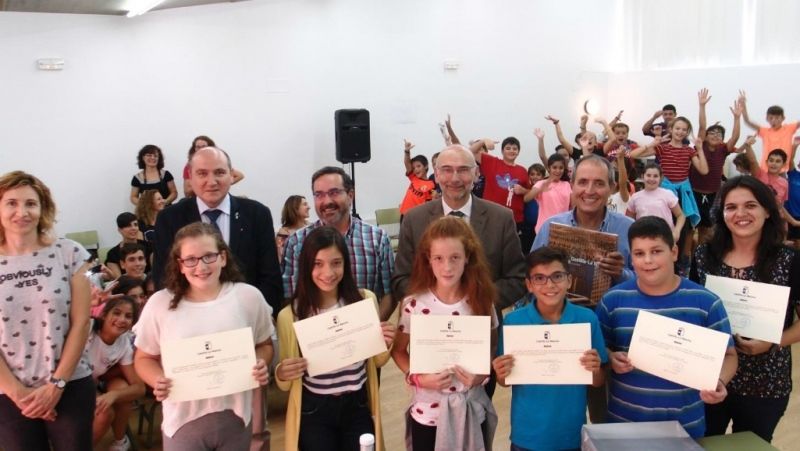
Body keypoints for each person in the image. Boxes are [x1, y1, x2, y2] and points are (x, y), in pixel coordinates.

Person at [134, 222, 274, 449]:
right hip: (182, 422)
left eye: (209, 256)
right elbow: (143, 358)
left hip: (236, 417)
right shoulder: (160, 304)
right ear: (179, 265)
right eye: (190, 259)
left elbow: (264, 344)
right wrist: (157, 379)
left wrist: (260, 362)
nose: (201, 266)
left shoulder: (248, 297)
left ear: (223, 257)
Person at [596, 216, 737, 438]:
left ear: (674, 252)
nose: (648, 260)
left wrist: (719, 381)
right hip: (624, 424)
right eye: (639, 253)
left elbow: (729, 355)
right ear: (631, 258)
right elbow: (599, 350)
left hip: (685, 426)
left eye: (656, 251)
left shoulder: (706, 302)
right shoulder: (613, 300)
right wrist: (611, 358)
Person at [691, 176, 800, 442]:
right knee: (702, 443)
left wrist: (773, 343)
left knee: (750, 446)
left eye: (750, 205)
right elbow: (693, 311)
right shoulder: (704, 256)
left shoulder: (789, 260)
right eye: (731, 207)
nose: (740, 214)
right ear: (722, 213)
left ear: (767, 211)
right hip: (711, 377)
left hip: (766, 381)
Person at [275, 226, 395, 451]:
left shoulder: (364, 300)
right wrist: (282, 372)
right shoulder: (290, 315)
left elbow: (376, 361)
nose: (328, 272)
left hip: (357, 403)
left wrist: (386, 342)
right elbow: (286, 381)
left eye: (336, 263)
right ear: (306, 266)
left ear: (346, 264)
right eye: (318, 264)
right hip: (315, 408)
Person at [0, 171, 95, 450]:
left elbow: (81, 322)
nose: (22, 212)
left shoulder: (71, 253)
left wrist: (56, 385)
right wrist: (17, 393)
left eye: (31, 203)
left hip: (70, 383)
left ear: (43, 209)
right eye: (11, 203)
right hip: (8, 392)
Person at [391, 216, 499, 451]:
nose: (447, 267)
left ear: (467, 257)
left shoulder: (482, 302)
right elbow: (398, 351)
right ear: (428, 259)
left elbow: (490, 349)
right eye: (438, 258)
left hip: (470, 410)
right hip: (427, 414)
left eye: (455, 257)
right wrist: (417, 378)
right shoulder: (414, 305)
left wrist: (481, 375)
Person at [492, 247, 607, 451]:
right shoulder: (513, 322)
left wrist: (595, 369)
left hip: (571, 434)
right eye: (539, 278)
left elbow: (599, 381)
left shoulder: (587, 319)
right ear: (529, 285)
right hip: (526, 435)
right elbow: (504, 381)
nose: (550, 285)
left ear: (569, 280)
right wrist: (501, 372)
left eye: (557, 276)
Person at [392, 145, 526, 314]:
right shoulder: (414, 219)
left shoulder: (501, 218)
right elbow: (401, 279)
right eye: (447, 170)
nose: (455, 179)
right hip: (430, 322)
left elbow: (517, 278)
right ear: (437, 174)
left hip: (482, 319)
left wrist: (477, 301)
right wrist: (435, 304)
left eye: (463, 170)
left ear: (476, 174)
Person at [154, 146, 283, 313]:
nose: (212, 181)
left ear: (231, 175)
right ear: (190, 178)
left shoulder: (257, 214)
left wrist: (257, 315)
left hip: (247, 317)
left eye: (219, 172)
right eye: (202, 173)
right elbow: (164, 279)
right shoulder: (169, 219)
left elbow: (270, 276)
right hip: (191, 318)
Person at [282, 166, 395, 320]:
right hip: (315, 331)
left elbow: (389, 294)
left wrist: (371, 327)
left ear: (350, 195)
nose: (327, 201)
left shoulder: (377, 238)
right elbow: (290, 297)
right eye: (319, 195)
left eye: (334, 192)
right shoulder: (296, 243)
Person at [86, 296, 145, 450]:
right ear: (104, 315)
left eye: (128, 316)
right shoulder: (89, 328)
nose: (122, 320)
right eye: (116, 313)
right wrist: (90, 302)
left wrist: (114, 395)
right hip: (68, 383)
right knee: (105, 413)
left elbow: (139, 387)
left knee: (119, 394)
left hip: (92, 384)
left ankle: (120, 441)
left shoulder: (124, 343)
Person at [692, 89, 742, 244]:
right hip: (694, 192)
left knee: (707, 228)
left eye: (719, 134)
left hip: (713, 194)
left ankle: (702, 253)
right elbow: (702, 126)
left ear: (722, 139)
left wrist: (737, 118)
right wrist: (702, 106)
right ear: (706, 136)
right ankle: (688, 255)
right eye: (712, 133)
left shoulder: (723, 149)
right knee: (690, 227)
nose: (715, 135)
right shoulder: (701, 146)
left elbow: (735, 137)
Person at [469, 136, 532, 241]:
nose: (511, 151)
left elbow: (530, 193)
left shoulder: (523, 171)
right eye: (508, 148)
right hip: (491, 216)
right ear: (502, 151)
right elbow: (470, 152)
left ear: (518, 152)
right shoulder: (491, 162)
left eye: (515, 149)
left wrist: (523, 190)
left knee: (510, 248)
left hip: (515, 219)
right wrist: (483, 141)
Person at [739, 90, 800, 173]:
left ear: (783, 118)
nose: (774, 120)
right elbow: (747, 121)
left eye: (777, 118)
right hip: (766, 170)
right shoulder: (765, 131)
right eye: (771, 118)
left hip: (783, 170)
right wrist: (743, 104)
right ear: (767, 119)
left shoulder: (789, 128)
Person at [626, 163, 687, 244]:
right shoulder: (635, 197)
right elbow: (629, 220)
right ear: (642, 176)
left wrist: (676, 231)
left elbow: (680, 215)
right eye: (648, 175)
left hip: (665, 238)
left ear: (661, 178)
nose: (651, 179)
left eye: (655, 176)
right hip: (643, 238)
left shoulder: (668, 194)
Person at [523, 153, 571, 234]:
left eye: (561, 168)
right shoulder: (541, 183)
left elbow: (572, 206)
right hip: (544, 229)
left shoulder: (567, 185)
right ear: (549, 168)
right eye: (554, 167)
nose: (558, 171)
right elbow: (526, 199)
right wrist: (539, 189)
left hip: (562, 230)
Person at [105, 212, 153, 280]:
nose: (133, 228)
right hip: (126, 285)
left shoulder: (150, 247)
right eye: (128, 226)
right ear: (119, 230)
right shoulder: (112, 254)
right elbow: (119, 280)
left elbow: (156, 272)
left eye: (135, 225)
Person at [399, 139, 435, 216]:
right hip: (404, 215)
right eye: (414, 168)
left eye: (418, 166)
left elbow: (428, 204)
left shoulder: (431, 185)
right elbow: (407, 163)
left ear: (426, 166)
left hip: (416, 217)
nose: (416, 169)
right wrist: (407, 151)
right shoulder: (414, 177)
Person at [276, 195, 311, 262]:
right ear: (295, 209)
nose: (309, 207)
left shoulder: (312, 227)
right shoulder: (284, 232)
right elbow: (281, 259)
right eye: (305, 204)